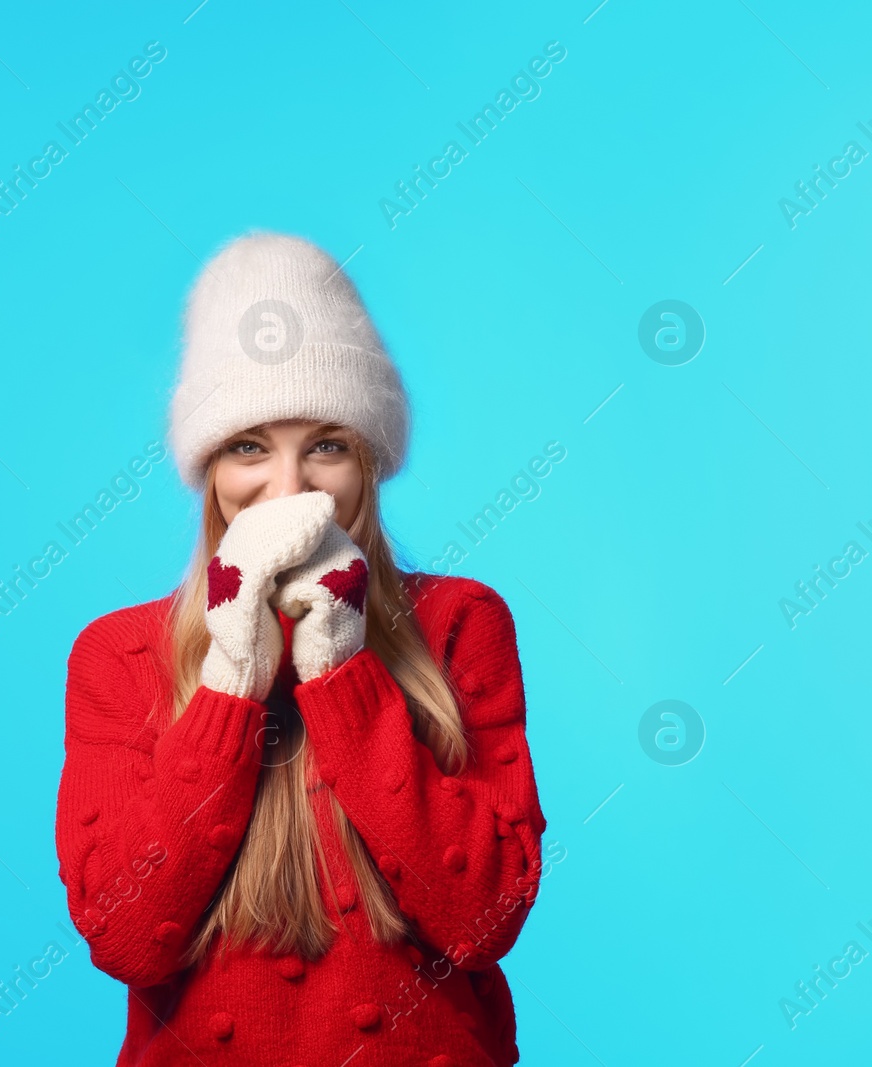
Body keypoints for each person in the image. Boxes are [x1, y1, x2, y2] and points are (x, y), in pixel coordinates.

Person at [55, 232, 549, 1066]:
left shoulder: (462, 623)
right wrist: (231, 680)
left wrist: (344, 670)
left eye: (326, 444)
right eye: (250, 445)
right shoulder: (118, 653)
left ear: (371, 461)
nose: (289, 491)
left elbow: (486, 921)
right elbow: (127, 937)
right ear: (208, 466)